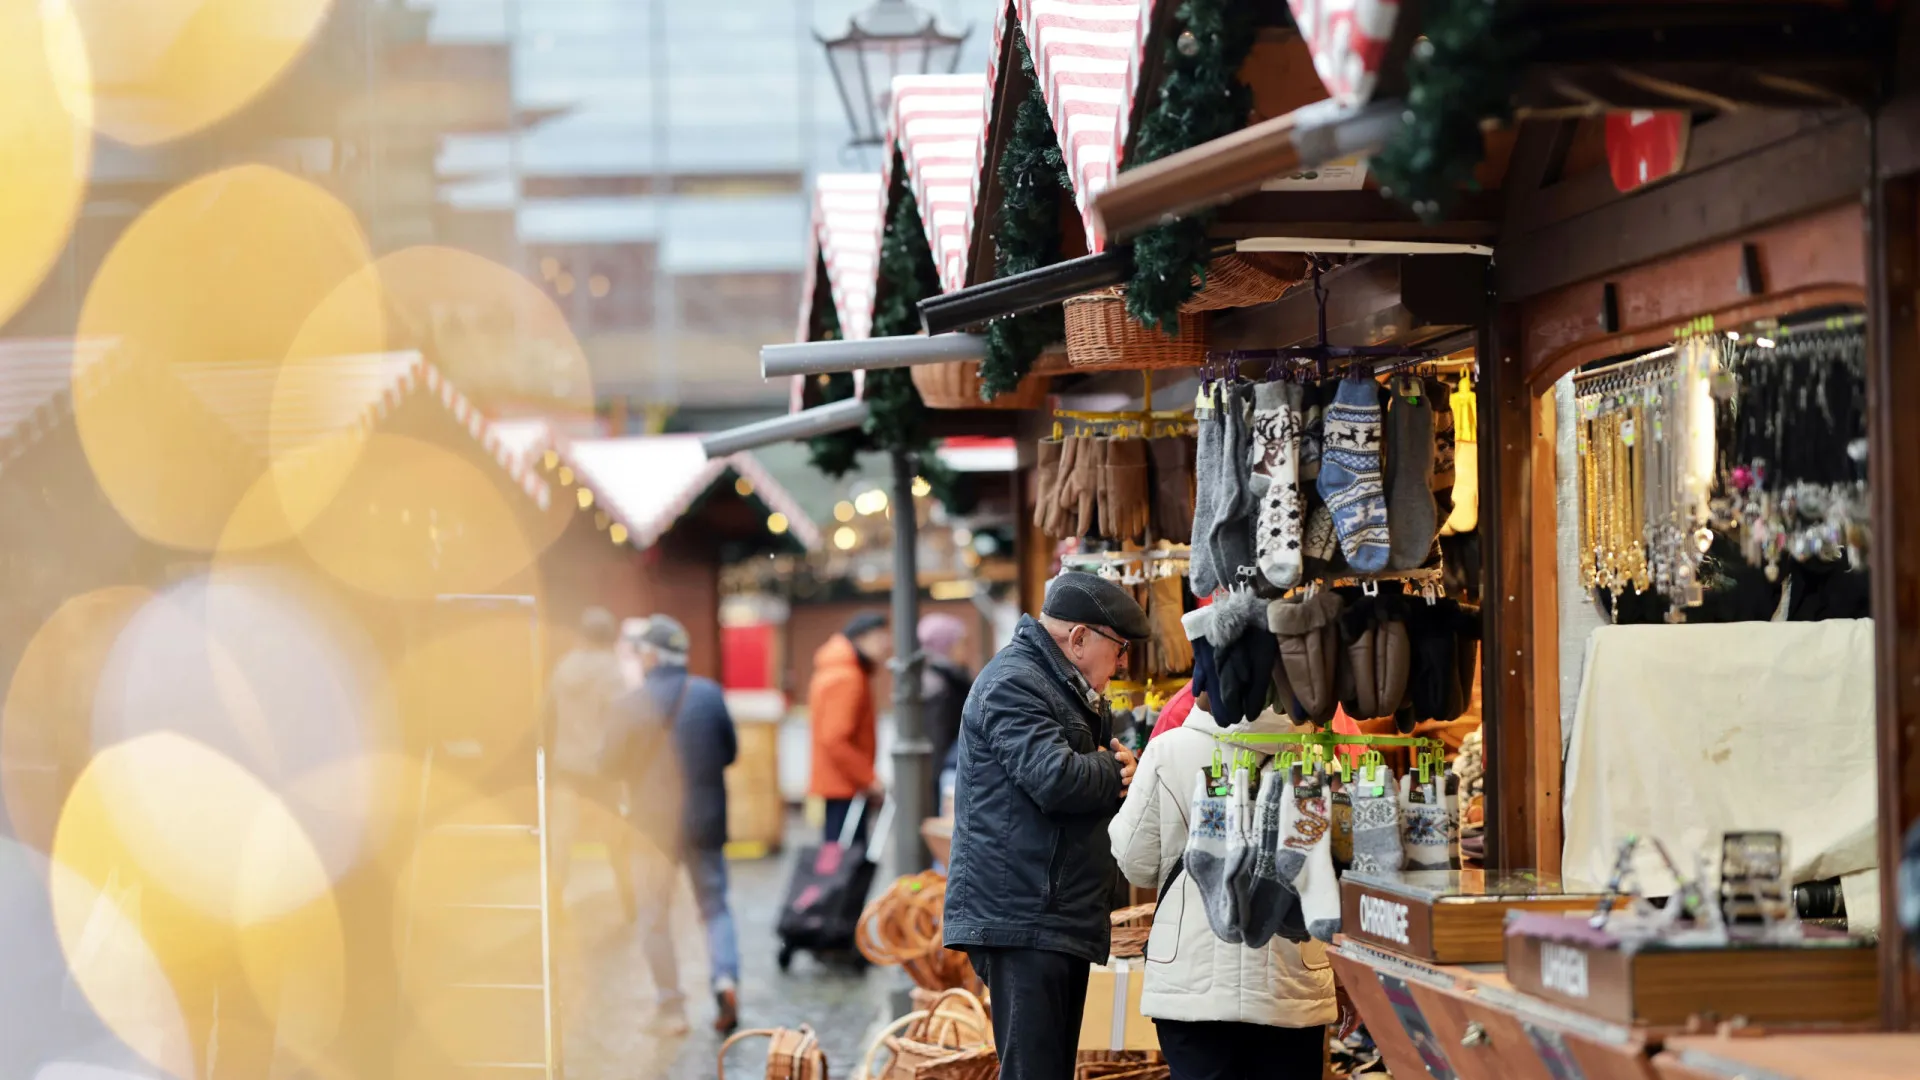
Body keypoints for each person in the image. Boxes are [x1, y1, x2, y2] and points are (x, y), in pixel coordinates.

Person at [944, 572, 1147, 1080]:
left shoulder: (1053, 682)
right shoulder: (1014, 681)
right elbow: (1054, 778)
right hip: (1024, 918)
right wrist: (1116, 769)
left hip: (1050, 916)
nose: (1123, 664)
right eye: (1119, 649)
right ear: (1079, 638)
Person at [1109, 700, 1338, 1079]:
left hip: (1191, 984)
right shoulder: (1316, 759)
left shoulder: (1168, 750)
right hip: (1290, 981)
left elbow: (1137, 863)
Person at [608, 614, 743, 1035]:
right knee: (715, 907)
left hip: (651, 828)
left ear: (650, 655)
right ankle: (725, 979)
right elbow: (729, 752)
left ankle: (671, 1009)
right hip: (705, 822)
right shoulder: (708, 694)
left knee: (654, 915)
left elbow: (606, 764)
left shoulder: (629, 704)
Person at [545, 607, 633, 916]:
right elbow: (621, 721)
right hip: (601, 769)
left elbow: (548, 713)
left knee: (561, 838)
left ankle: (554, 899)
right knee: (616, 839)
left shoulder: (562, 667)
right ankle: (628, 900)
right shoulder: (612, 671)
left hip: (566, 767)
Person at [808, 611, 891, 845]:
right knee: (844, 864)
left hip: (842, 784)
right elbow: (836, 739)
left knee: (838, 859)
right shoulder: (847, 676)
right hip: (845, 787)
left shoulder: (841, 669)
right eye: (881, 636)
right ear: (860, 638)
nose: (887, 644)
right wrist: (869, 779)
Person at [917, 612, 973, 816]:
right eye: (961, 643)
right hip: (945, 776)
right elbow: (938, 738)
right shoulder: (940, 685)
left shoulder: (947, 679)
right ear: (945, 645)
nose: (966, 650)